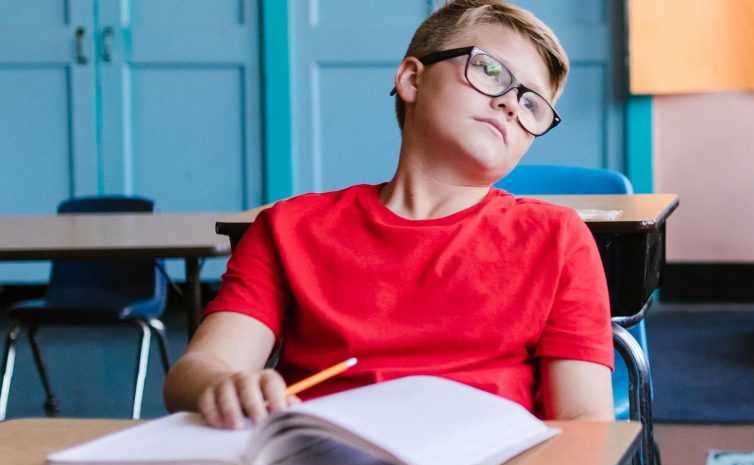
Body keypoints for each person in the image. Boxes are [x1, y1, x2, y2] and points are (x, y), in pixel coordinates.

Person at [164, 0, 614, 430]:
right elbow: (196, 370)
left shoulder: (557, 239)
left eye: (533, 103)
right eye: (490, 70)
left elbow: (584, 421)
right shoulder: (289, 228)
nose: (511, 104)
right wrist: (225, 387)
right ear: (412, 80)